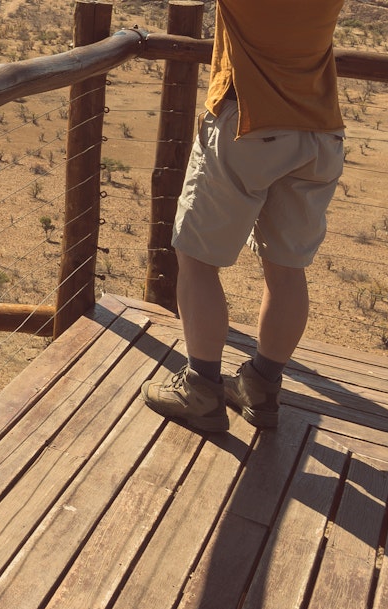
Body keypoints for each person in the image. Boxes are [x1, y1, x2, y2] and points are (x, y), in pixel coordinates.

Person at [142, 0, 347, 433]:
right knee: (287, 270)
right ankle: (261, 386)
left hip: (249, 123)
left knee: (197, 260)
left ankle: (199, 388)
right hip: (320, 131)